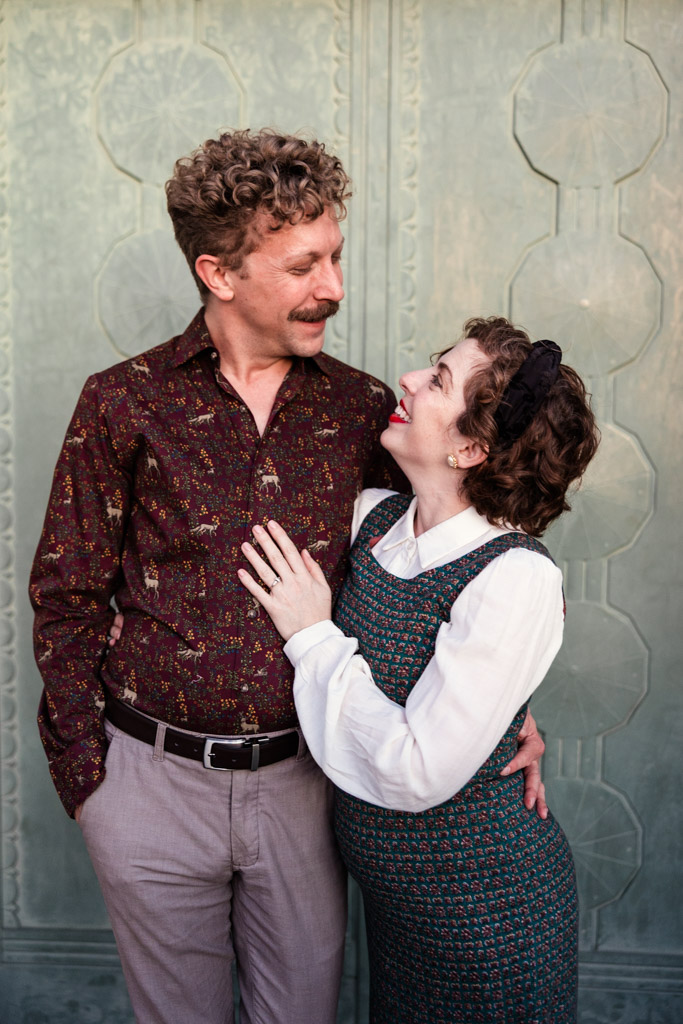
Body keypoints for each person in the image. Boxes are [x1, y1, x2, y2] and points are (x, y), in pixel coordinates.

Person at [30, 129, 546, 1024]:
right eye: (304, 266)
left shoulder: (362, 412)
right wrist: (91, 779)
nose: (334, 290)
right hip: (149, 784)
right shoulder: (122, 402)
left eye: (335, 258)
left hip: (310, 786)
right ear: (218, 273)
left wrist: (512, 708)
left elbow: (437, 560)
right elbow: (67, 593)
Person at [238, 315, 600, 1023]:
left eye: (436, 380)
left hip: (487, 918)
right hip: (401, 913)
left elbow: (415, 769)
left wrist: (314, 636)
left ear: (469, 445)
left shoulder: (513, 577)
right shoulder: (376, 518)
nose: (405, 380)